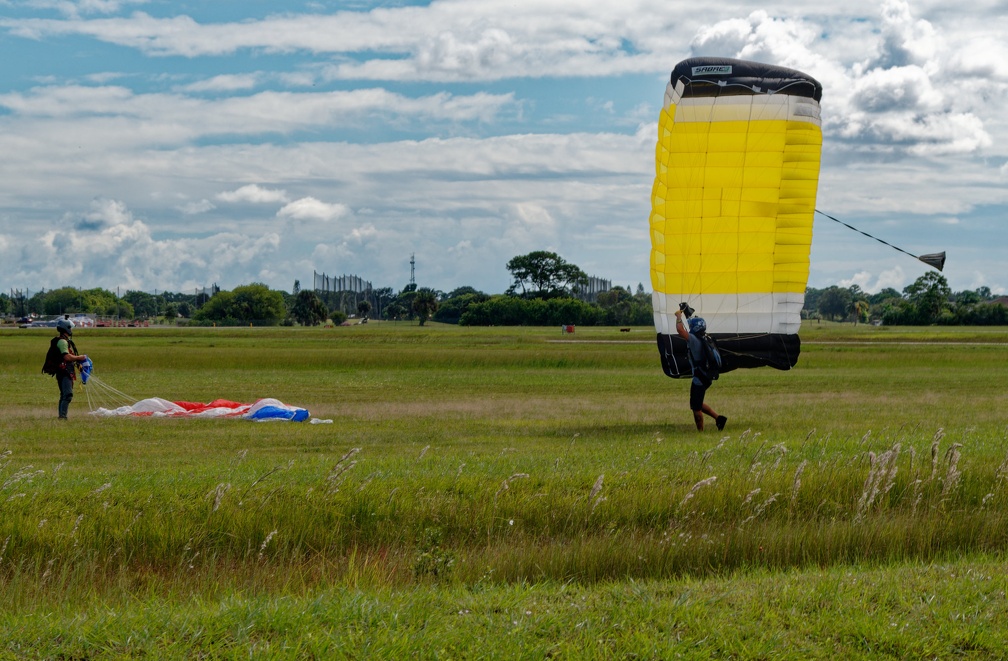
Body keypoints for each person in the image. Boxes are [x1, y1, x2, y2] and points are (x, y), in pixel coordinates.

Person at [674, 308, 727, 432]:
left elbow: (680, 330)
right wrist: (687, 313)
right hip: (707, 376)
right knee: (697, 402)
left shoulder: (693, 339)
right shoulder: (704, 338)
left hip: (699, 378)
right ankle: (719, 418)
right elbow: (692, 325)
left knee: (696, 408)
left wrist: (678, 317)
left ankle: (700, 433)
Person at [42, 318, 88, 419]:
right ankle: (62, 417)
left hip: (63, 371)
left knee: (64, 394)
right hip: (64, 371)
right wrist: (81, 357)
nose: (71, 330)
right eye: (70, 328)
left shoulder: (62, 341)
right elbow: (67, 357)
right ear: (66, 328)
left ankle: (62, 416)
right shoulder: (62, 342)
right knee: (67, 395)